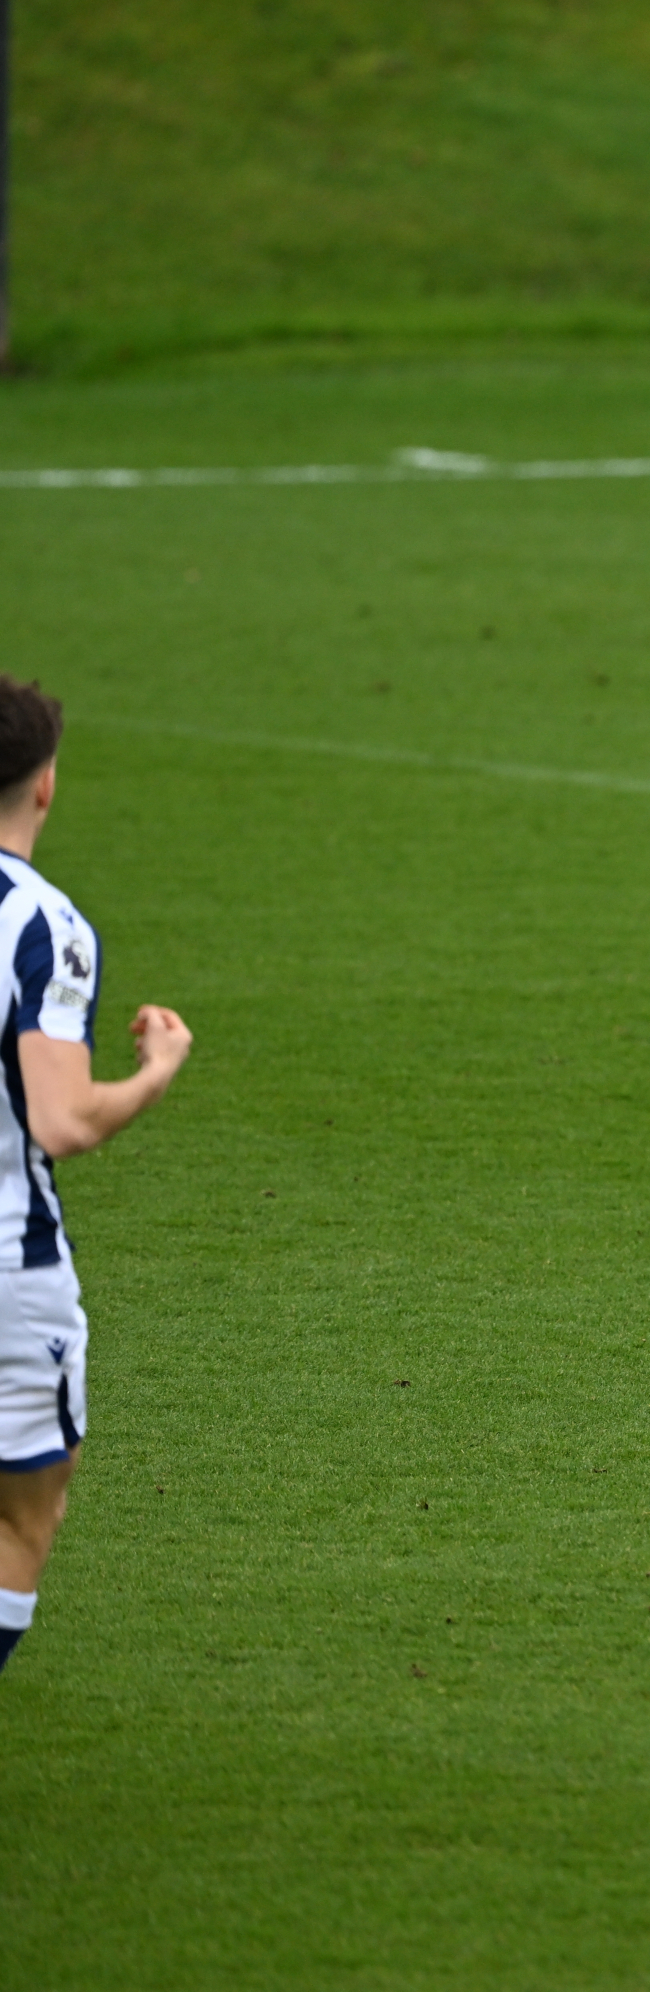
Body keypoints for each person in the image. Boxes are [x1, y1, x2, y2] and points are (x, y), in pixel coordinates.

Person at [0, 678, 194, 1675]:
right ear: (45, 785)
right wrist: (156, 1070)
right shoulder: (42, 925)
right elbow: (62, 1118)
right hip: (7, 1275)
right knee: (20, 1521)